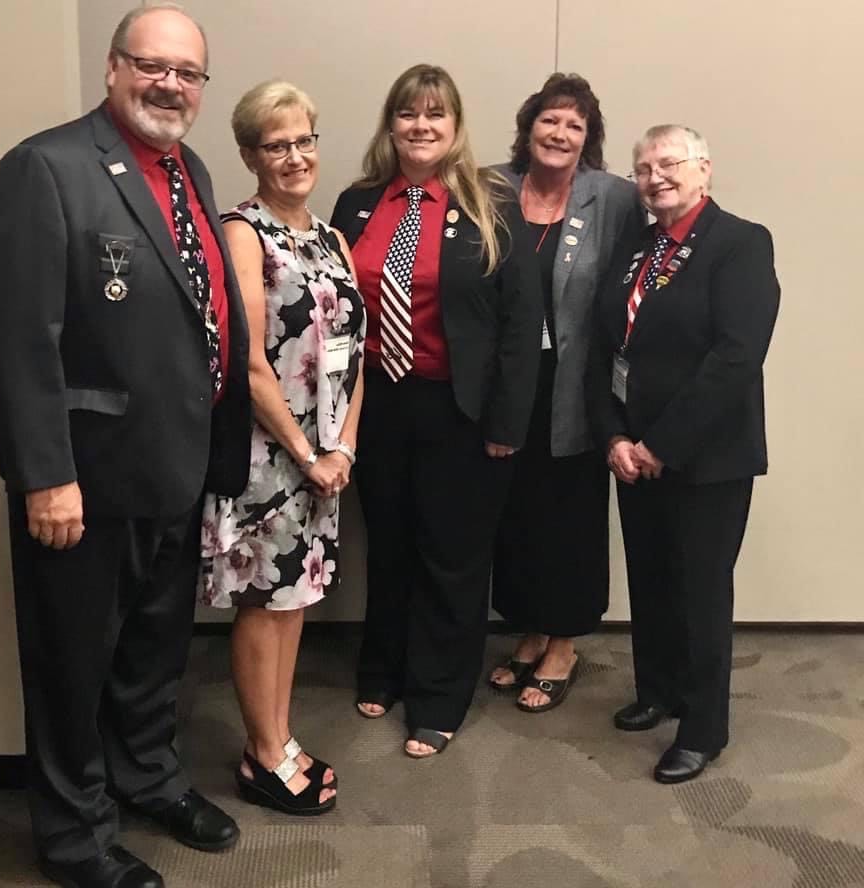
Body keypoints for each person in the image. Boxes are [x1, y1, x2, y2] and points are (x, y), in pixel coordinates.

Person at [0, 6, 251, 887]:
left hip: (174, 467)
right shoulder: (45, 167)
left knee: (154, 655)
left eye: (188, 73)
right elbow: (21, 341)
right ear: (112, 67)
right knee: (71, 668)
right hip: (83, 484)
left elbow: (198, 316)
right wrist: (46, 476)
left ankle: (147, 777)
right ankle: (73, 836)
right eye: (153, 64)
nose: (171, 83)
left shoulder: (189, 169)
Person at [331, 64, 541, 758]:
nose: (421, 127)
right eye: (408, 114)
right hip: (377, 404)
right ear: (391, 124)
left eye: (435, 115)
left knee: (451, 556)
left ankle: (440, 694)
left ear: (455, 126)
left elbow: (520, 326)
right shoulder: (358, 203)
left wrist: (508, 425)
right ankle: (383, 670)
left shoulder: (492, 204)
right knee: (388, 547)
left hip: (461, 411)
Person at [585, 124, 779, 783]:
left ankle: (703, 728)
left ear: (704, 171)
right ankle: (659, 691)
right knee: (652, 579)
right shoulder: (636, 248)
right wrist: (614, 435)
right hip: (633, 455)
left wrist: (662, 444)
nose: (654, 175)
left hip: (707, 458)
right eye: (642, 168)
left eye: (669, 162)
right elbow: (605, 347)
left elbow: (735, 357)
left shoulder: (741, 244)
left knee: (700, 591)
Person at [201, 80, 364, 815]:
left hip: (325, 459)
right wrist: (306, 454)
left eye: (304, 140)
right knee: (265, 604)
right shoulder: (244, 232)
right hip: (272, 457)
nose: (295, 156)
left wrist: (345, 451)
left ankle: (280, 735)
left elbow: (356, 353)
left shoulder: (331, 238)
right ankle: (263, 754)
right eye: (277, 144)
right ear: (250, 154)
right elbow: (249, 363)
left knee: (296, 599)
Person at [487, 74, 645, 712]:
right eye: (550, 121)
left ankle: (564, 642)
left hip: (577, 383)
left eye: (574, 126)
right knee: (516, 510)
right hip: (508, 382)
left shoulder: (612, 197)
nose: (559, 134)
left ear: (588, 140)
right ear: (529, 128)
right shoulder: (490, 186)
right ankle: (530, 629)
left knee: (570, 514)